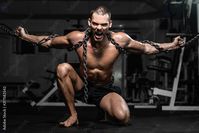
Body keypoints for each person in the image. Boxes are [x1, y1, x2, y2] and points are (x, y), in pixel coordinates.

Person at [15, 6, 184, 127]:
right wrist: (25, 36)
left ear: (109, 24)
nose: (99, 28)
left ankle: (103, 110)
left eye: (103, 25)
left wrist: (172, 45)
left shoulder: (120, 40)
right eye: (95, 24)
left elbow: (147, 48)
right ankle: (74, 115)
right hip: (82, 84)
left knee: (123, 118)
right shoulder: (77, 38)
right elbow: (49, 42)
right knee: (62, 68)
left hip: (104, 89)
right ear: (90, 22)